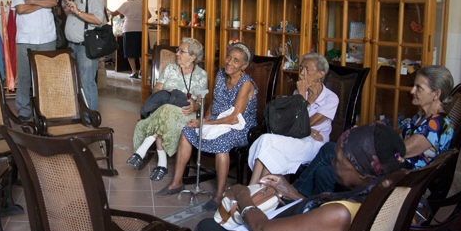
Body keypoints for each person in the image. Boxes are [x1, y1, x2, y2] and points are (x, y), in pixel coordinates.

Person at [188, 122, 407, 231]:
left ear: (362, 171)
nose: (333, 163)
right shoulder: (380, 199)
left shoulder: (340, 214)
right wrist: (291, 192)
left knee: (207, 230)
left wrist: (243, 194)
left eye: (339, 161)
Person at [291, 65, 455, 197]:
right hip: (391, 170)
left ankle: (305, 201)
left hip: (399, 179)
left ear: (436, 94)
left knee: (326, 164)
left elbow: (399, 153)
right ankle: (306, 200)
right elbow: (396, 140)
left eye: (419, 88)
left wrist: (364, 145)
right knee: (326, 159)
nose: (412, 91)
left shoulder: (437, 125)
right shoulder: (421, 117)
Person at [156, 43, 258, 211]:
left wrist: (204, 124)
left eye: (236, 60)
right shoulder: (220, 74)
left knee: (222, 144)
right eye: (229, 57)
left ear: (244, 66)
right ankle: (177, 182)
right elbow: (214, 104)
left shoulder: (246, 83)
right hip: (217, 121)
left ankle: (219, 193)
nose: (230, 62)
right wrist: (203, 120)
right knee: (187, 131)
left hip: (240, 127)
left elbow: (234, 118)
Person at [247, 52, 339, 185]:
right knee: (267, 141)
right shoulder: (297, 93)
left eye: (307, 69)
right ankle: (257, 190)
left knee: (269, 143)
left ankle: (254, 189)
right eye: (301, 68)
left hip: (315, 144)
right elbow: (293, 123)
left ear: (321, 74)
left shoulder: (331, 98)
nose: (301, 73)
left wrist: (301, 97)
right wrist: (305, 128)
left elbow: (308, 122)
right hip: (296, 138)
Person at [127, 37, 207, 181]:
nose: (177, 53)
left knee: (166, 112)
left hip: (185, 113)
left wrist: (195, 105)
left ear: (192, 57)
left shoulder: (201, 75)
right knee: (166, 110)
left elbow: (201, 102)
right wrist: (165, 93)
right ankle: (161, 164)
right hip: (164, 110)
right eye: (178, 50)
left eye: (181, 51)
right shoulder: (170, 69)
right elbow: (156, 89)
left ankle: (143, 151)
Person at [12, 0, 58, 121]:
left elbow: (53, 1)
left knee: (46, 75)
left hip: (47, 37)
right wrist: (42, 4)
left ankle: (46, 108)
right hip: (26, 37)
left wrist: (32, 1)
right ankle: (24, 109)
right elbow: (21, 9)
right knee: (24, 76)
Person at [63, 0, 105, 112]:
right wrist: (67, 8)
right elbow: (76, 18)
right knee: (76, 83)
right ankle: (80, 114)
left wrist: (78, 12)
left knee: (87, 84)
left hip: (84, 47)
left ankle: (91, 119)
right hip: (73, 47)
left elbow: (98, 20)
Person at [108, 0, 148, 78]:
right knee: (141, 51)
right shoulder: (142, 3)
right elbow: (148, 15)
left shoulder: (126, 4)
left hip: (129, 30)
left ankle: (134, 72)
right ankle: (142, 70)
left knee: (130, 52)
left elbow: (114, 14)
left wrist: (109, 11)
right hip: (142, 29)